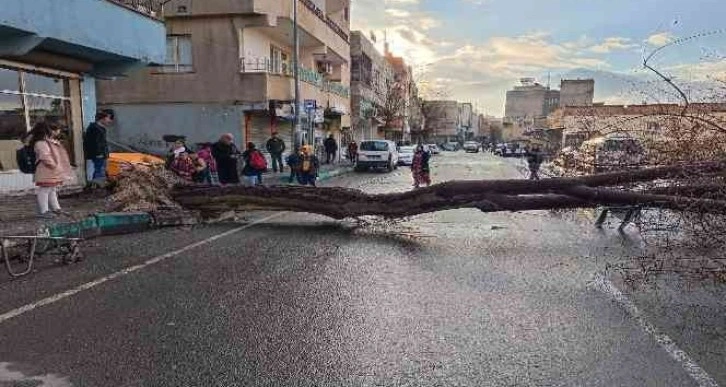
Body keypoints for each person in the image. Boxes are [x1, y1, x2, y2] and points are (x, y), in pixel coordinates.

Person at [31, 122, 73, 218]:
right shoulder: (41, 143)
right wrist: (54, 165)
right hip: (46, 170)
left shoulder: (45, 142)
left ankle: (56, 208)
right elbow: (45, 156)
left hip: (50, 171)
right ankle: (44, 211)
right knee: (44, 190)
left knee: (52, 189)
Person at [83, 109, 114, 182]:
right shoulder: (94, 128)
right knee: (100, 171)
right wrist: (98, 153)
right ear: (105, 117)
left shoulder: (100, 128)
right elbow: (93, 143)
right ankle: (98, 187)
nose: (110, 121)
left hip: (102, 154)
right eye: (109, 118)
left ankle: (96, 186)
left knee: (100, 171)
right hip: (99, 155)